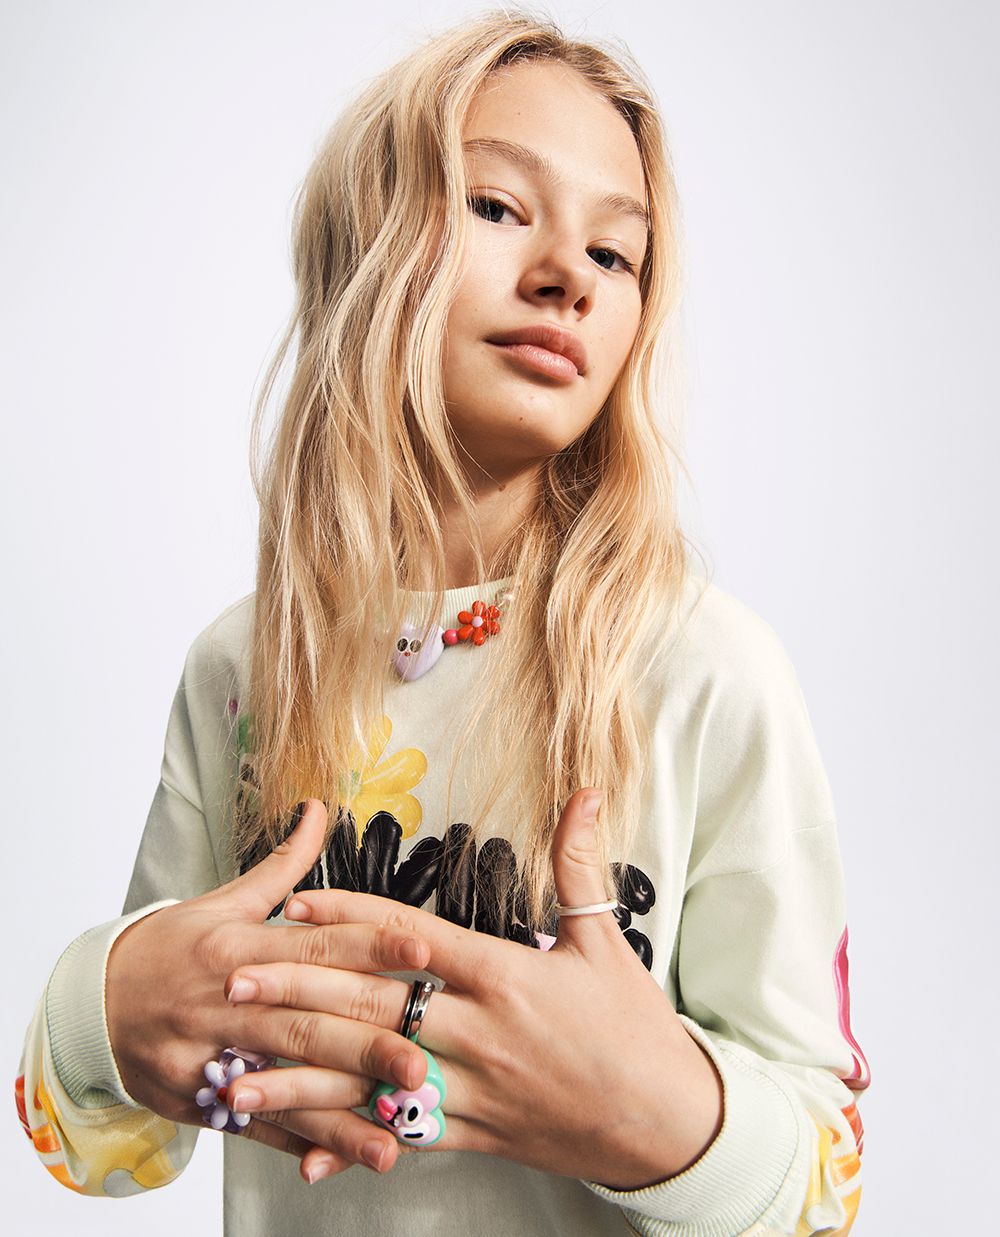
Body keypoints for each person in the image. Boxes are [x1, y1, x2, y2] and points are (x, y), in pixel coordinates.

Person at [15, 8, 871, 1235]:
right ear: (363, 250)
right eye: (497, 206)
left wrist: (660, 1116)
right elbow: (110, 1148)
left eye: (616, 252)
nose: (569, 272)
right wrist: (97, 1004)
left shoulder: (706, 674)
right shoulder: (242, 670)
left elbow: (826, 1184)